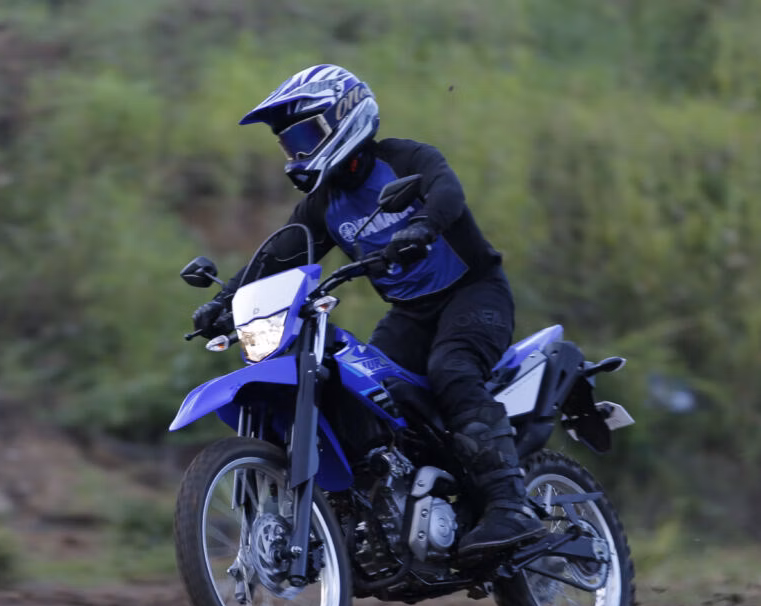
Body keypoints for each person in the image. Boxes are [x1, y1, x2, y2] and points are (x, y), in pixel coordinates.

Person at [190, 64, 544, 558]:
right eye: (290, 145)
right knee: (369, 393)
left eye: (306, 136)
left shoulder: (405, 159)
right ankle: (390, 511)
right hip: (410, 314)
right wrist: (224, 301)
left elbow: (447, 192)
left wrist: (422, 226)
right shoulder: (323, 204)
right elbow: (275, 258)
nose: (298, 153)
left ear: (345, 116)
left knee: (453, 369)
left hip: (473, 294)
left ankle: (510, 506)